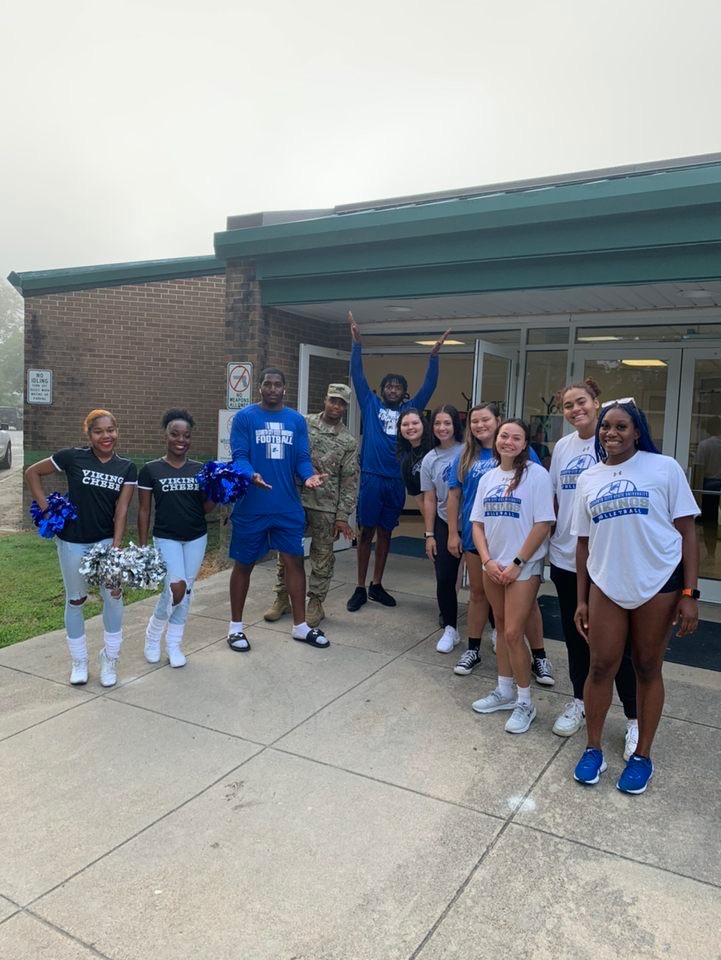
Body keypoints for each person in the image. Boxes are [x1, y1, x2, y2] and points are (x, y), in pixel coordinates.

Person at [571, 398, 699, 794]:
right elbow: (582, 544)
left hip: (658, 584)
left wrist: (690, 592)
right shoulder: (589, 478)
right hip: (607, 585)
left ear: (638, 431)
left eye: (621, 426)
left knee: (647, 667)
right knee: (600, 667)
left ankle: (642, 754)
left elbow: (688, 532)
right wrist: (582, 598)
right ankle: (593, 748)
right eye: (606, 426)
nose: (611, 433)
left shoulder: (664, 469)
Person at [549, 380, 639, 755]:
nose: (575, 410)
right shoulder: (561, 447)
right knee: (576, 639)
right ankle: (580, 702)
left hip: (610, 562)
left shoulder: (616, 441)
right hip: (566, 559)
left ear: (597, 403)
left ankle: (634, 718)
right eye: (568, 406)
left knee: (622, 647)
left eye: (581, 402)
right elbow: (557, 501)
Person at [137, 409, 266, 668]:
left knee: (187, 592)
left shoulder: (200, 470)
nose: (180, 440)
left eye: (186, 435)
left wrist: (220, 491)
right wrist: (142, 546)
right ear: (166, 435)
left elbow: (204, 508)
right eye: (175, 434)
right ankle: (153, 634)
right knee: (175, 588)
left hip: (196, 537)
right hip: (166, 537)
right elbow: (143, 510)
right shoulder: (151, 470)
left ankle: (174, 645)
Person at [24, 409, 137, 687]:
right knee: (76, 600)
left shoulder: (127, 467)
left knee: (113, 597)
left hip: (104, 542)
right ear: (88, 434)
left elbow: (121, 510)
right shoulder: (72, 457)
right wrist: (46, 509)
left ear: (116, 431)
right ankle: (79, 661)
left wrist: (116, 546)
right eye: (98, 431)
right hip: (73, 541)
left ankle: (110, 659)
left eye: (111, 429)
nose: (106, 436)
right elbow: (32, 473)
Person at [346, 311, 449, 612]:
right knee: (366, 532)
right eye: (388, 385)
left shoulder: (411, 410)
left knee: (386, 533)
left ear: (404, 393)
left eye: (397, 386)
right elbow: (358, 376)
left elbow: (428, 388)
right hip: (371, 477)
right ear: (382, 390)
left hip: (395, 481)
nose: (392, 389)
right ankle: (360, 586)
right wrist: (356, 345)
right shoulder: (370, 403)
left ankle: (378, 585)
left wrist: (433, 358)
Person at [447, 404, 553, 681]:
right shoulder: (469, 458)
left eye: (486, 420)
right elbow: (458, 499)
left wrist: (520, 560)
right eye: (474, 421)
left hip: (520, 553)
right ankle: (482, 660)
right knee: (484, 603)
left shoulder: (531, 465)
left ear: (497, 422)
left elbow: (541, 514)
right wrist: (454, 534)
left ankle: (537, 660)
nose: (480, 425)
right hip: (483, 546)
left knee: (521, 615)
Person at [227, 367, 328, 652]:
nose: (272, 389)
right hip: (251, 506)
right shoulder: (245, 418)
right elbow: (240, 456)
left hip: (287, 507)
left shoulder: (295, 420)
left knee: (295, 563)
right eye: (267, 384)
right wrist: (250, 475)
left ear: (285, 388)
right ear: (259, 387)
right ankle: (235, 628)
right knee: (244, 564)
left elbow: (301, 457)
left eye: (277, 384)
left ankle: (300, 626)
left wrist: (308, 476)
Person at [469, 419, 555, 734]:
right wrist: (488, 561)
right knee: (503, 627)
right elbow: (477, 523)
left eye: (515, 437)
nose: (508, 441)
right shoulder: (488, 477)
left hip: (524, 566)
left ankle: (524, 702)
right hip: (492, 565)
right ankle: (504, 691)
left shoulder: (537, 475)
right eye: (504, 435)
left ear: (524, 444)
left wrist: (518, 561)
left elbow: (543, 524)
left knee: (512, 634)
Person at [264, 384, 359, 628]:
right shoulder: (302, 423)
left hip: (325, 506)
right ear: (325, 400)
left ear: (346, 407)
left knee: (322, 557)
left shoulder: (348, 441)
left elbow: (349, 481)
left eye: (341, 403)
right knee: (286, 552)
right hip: (294, 499)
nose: (336, 406)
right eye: (333, 400)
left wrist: (342, 515)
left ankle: (315, 603)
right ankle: (282, 597)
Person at [421, 405, 465, 652]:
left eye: (447, 423)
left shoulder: (469, 451)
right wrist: (429, 535)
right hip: (441, 521)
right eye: (437, 423)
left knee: (483, 581)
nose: (442, 428)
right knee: (445, 577)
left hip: (471, 522)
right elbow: (429, 498)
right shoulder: (431, 458)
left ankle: (496, 630)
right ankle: (450, 627)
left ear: (455, 425)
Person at [692, 415, 721, 560]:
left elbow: (699, 470)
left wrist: (696, 497)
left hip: (709, 487)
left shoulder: (705, 445)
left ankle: (710, 554)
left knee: (710, 523)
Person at [396, 408, 433, 512]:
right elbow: (421, 501)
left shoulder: (436, 447)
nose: (410, 427)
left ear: (423, 425)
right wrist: (430, 526)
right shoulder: (406, 463)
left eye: (415, 423)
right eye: (405, 424)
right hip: (435, 515)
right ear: (400, 429)